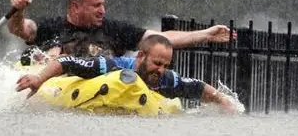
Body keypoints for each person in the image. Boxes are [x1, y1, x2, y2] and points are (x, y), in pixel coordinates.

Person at [7, 0, 235, 62]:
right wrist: (18, 10)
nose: (102, 11)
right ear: (76, 7)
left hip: (99, 86)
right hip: (58, 85)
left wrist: (205, 34)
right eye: (96, 6)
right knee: (53, 52)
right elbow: (20, 29)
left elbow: (159, 39)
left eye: (103, 5)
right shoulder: (50, 26)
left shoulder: (114, 30)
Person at [15, 34, 237, 114]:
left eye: (166, 65)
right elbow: (66, 62)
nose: (161, 69)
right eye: (157, 63)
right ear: (141, 56)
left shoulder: (164, 78)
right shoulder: (111, 65)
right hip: (82, 84)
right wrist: (39, 79)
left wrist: (223, 101)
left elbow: (197, 86)